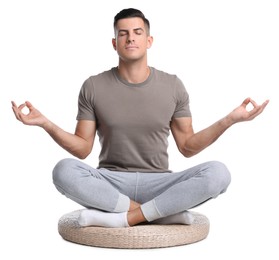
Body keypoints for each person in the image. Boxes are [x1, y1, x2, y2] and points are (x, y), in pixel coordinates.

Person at [12, 8, 269, 228]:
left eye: (137, 32)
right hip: (110, 182)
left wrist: (230, 120)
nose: (130, 38)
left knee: (218, 174)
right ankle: (158, 214)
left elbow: (188, 147)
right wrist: (45, 123)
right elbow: (82, 148)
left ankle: (124, 218)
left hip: (161, 181)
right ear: (114, 43)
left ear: (149, 41)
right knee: (63, 170)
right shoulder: (93, 86)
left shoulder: (173, 85)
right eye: (122, 33)